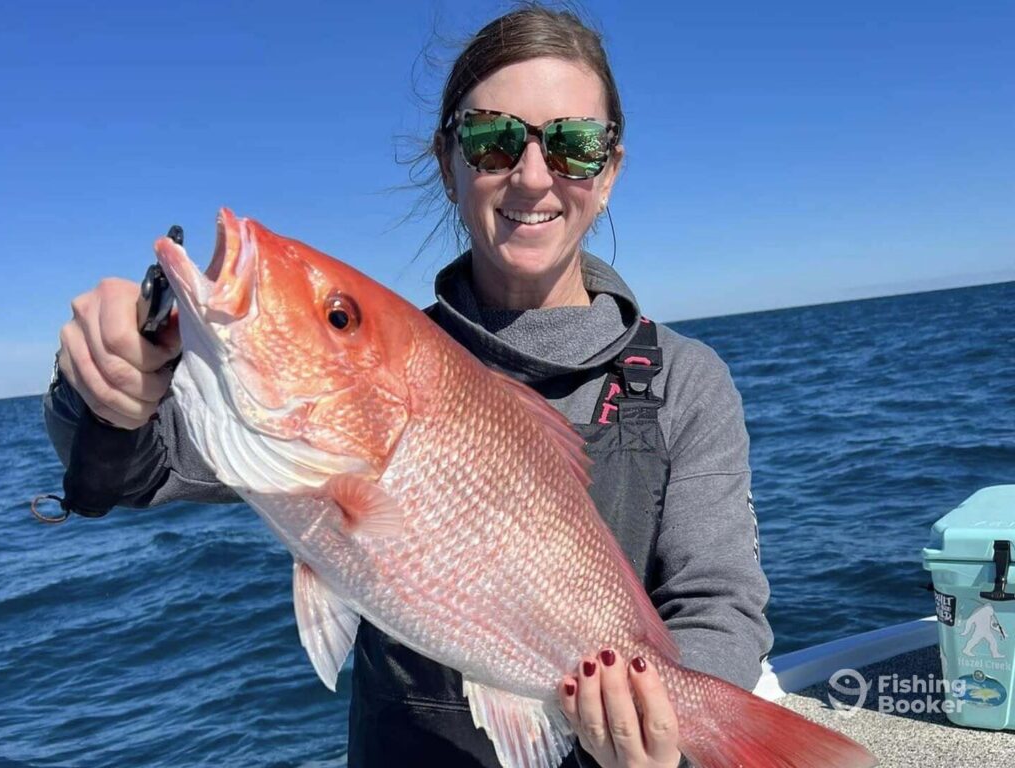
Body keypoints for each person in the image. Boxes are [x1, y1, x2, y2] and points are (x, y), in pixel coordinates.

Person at [44, 6, 773, 767]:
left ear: (610, 171)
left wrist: (665, 736)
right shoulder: (367, 376)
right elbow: (140, 465)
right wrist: (103, 382)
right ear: (449, 161)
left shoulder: (686, 382)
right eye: (493, 140)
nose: (532, 175)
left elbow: (720, 607)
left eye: (575, 145)